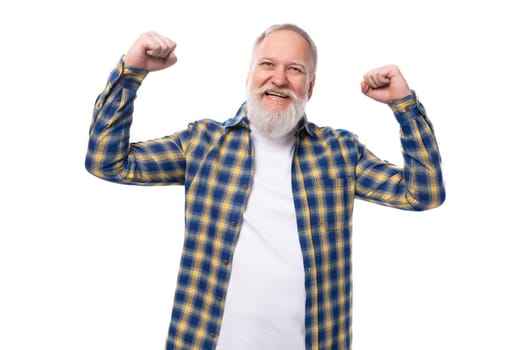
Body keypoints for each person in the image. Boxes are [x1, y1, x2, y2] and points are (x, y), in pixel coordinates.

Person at [85, 23, 445, 350]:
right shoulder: (203, 143)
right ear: (250, 74)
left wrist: (404, 105)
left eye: (295, 69)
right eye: (268, 64)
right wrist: (132, 73)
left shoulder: (340, 152)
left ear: (311, 86)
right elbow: (106, 161)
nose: (279, 79)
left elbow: (423, 193)